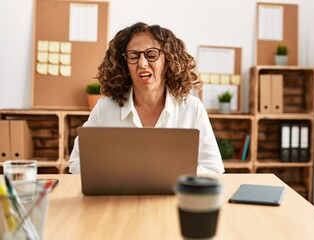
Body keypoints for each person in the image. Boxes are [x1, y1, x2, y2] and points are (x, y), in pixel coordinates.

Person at [68, 22, 224, 174]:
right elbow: (77, 162)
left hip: (174, 198)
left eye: (151, 54)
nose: (142, 63)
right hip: (120, 198)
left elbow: (213, 167)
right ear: (125, 65)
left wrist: (173, 175)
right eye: (133, 56)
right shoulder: (105, 109)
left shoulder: (192, 108)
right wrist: (112, 175)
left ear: (168, 61)